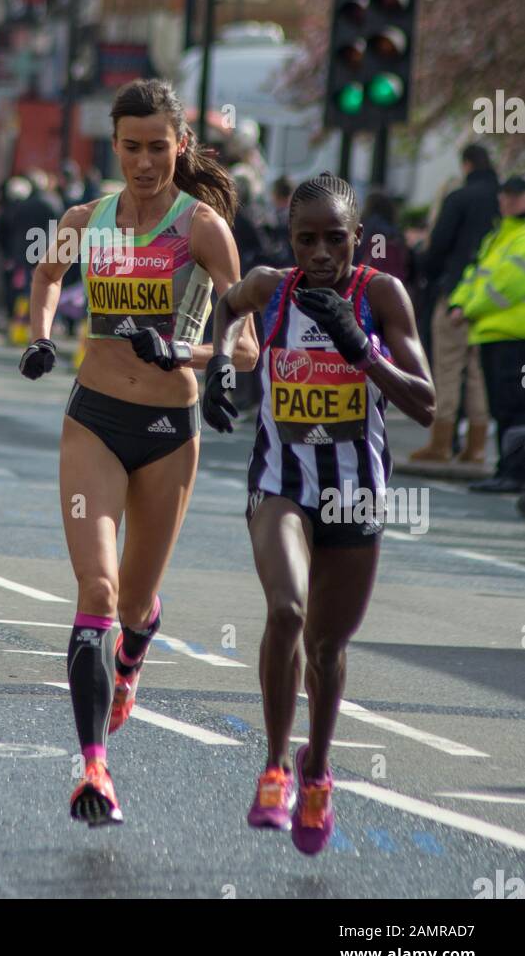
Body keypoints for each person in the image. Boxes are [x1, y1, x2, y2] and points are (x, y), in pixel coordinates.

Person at [19, 79, 259, 826]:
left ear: (179, 146)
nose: (146, 162)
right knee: (96, 591)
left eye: (159, 147)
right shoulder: (84, 219)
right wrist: (40, 337)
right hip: (92, 420)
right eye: (131, 148)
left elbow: (246, 340)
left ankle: (133, 650)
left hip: (166, 436)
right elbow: (46, 274)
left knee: (130, 602)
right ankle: (93, 769)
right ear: (113, 146)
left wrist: (197, 357)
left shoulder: (204, 228)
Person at [203, 172, 435, 855]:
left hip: (354, 493)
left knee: (328, 648)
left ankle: (317, 769)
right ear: (290, 240)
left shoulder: (379, 295)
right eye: (305, 239)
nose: (320, 253)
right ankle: (274, 764)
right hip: (281, 482)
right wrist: (220, 366)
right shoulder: (272, 289)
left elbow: (425, 403)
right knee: (286, 613)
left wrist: (361, 351)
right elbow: (225, 306)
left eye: (334, 238)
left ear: (357, 238)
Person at [411, 144, 498, 464]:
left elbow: (438, 248)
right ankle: (476, 447)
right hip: (493, 299)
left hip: (456, 293)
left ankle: (441, 443)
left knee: (448, 367)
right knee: (477, 372)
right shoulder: (505, 200)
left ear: (466, 165)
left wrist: (429, 270)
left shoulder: (460, 198)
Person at [449, 175, 525, 494]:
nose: (506, 201)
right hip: (491, 334)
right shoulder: (498, 236)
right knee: (500, 406)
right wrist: (458, 302)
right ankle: (505, 469)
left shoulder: (520, 236)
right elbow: (474, 274)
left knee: (513, 406)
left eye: (514, 196)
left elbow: (508, 284)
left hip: (514, 335)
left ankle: (514, 472)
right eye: (504, 195)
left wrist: (469, 308)